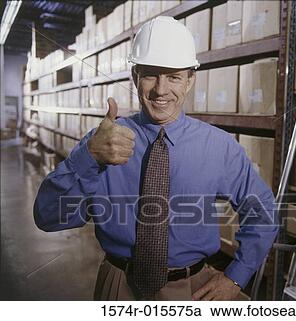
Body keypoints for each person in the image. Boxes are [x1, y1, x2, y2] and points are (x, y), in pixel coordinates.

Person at [33, 16, 278, 301]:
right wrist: (88, 157)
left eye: (173, 76)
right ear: (135, 77)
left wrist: (235, 278)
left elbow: (264, 212)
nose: (161, 90)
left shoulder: (219, 147)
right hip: (119, 286)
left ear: (189, 80)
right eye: (150, 74)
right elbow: (48, 216)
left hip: (193, 290)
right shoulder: (102, 142)